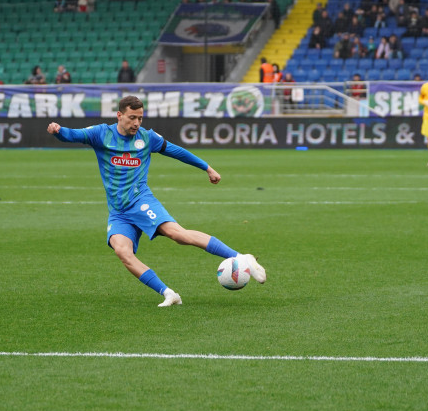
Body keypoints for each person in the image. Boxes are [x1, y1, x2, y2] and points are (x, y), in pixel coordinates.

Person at [46, 95, 266, 307]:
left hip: (141, 201)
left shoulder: (147, 137)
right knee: (122, 252)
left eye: (140, 118)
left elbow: (176, 151)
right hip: (118, 211)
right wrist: (58, 131)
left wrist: (207, 168)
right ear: (119, 115)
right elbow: (71, 135)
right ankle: (169, 294)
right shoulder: (101, 134)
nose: (136, 123)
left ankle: (241, 257)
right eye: (132, 117)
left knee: (178, 235)